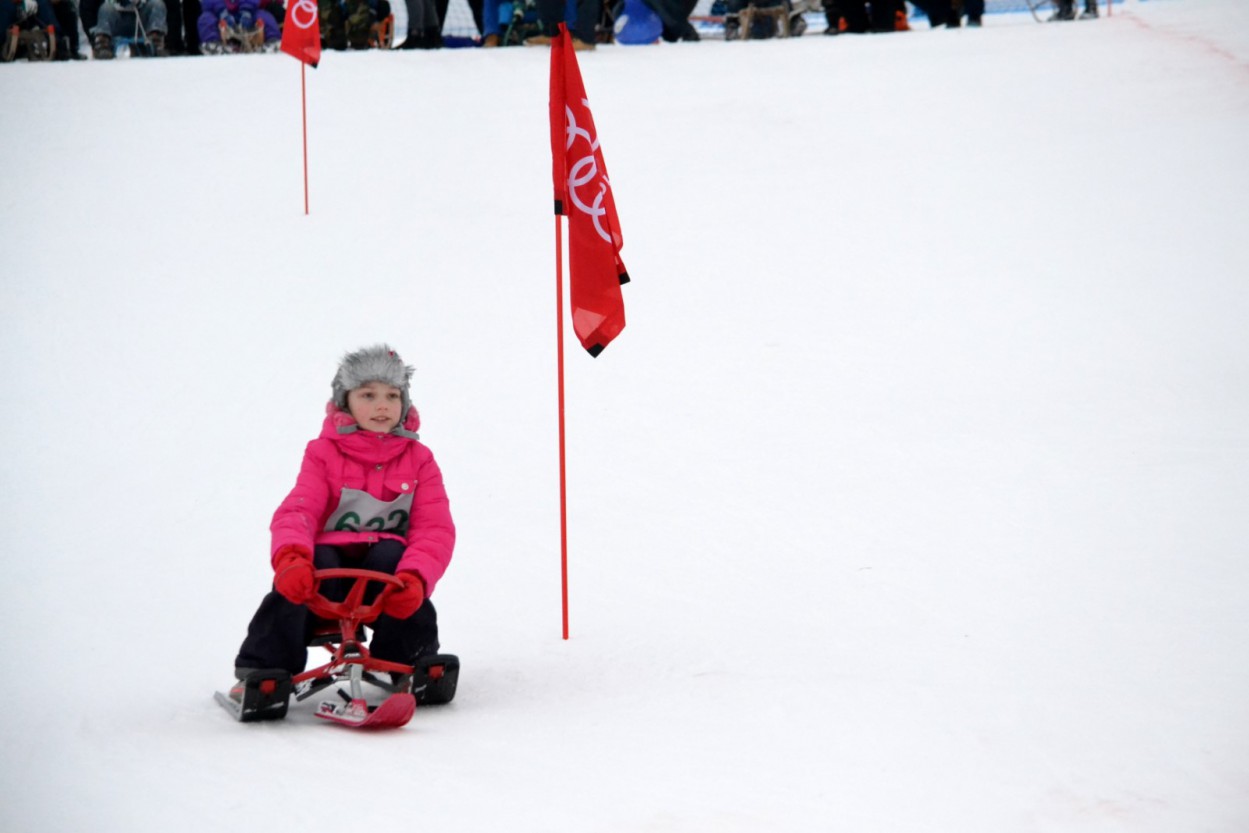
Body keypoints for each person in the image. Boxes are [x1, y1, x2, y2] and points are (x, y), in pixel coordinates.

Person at [229, 345, 457, 704]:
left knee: (395, 562)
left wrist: (417, 577)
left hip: (383, 579)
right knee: (305, 574)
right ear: (344, 402)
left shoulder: (420, 459)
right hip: (327, 577)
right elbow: (299, 511)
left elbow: (435, 528)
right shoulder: (322, 453)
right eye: (368, 395)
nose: (382, 406)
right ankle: (264, 670)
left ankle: (408, 660)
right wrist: (291, 558)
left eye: (392, 396)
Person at [91, 0, 169, 57]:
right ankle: (102, 46)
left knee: (158, 4)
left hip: (140, 19)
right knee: (105, 8)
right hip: (117, 18)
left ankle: (156, 45)